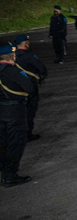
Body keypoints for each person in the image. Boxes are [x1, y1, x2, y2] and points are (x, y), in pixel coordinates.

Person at [0, 45, 35, 188]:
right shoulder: (14, 71)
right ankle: (10, 175)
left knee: (2, 143)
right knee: (15, 143)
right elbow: (30, 89)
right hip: (15, 111)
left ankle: (3, 169)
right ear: (13, 57)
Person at [13, 35, 47, 142]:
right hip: (29, 86)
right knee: (30, 110)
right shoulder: (29, 56)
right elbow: (41, 67)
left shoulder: (11, 56)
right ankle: (27, 133)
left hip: (15, 88)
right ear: (26, 43)